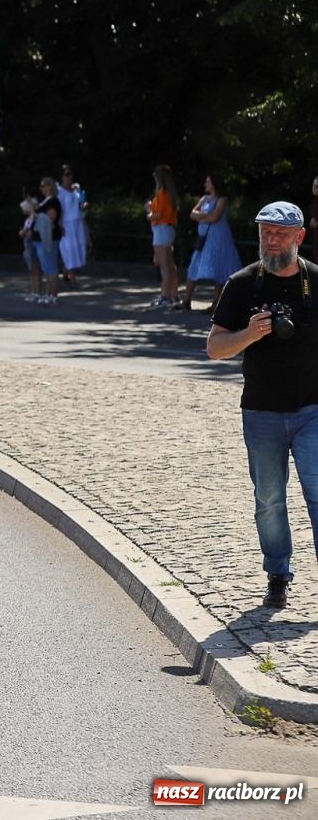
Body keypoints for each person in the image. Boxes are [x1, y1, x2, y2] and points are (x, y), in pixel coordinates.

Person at [206, 201, 318, 609]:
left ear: (299, 237)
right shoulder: (242, 284)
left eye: (280, 233)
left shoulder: (314, 281)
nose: (271, 240)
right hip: (261, 412)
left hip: (312, 411)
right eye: (264, 232)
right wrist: (249, 335)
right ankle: (277, 574)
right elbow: (215, 349)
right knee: (269, 499)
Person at [183, 174, 242, 312]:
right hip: (204, 237)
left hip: (219, 238)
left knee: (219, 267)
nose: (205, 184)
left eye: (208, 182)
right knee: (194, 266)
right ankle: (187, 299)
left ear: (215, 183)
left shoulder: (222, 200)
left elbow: (215, 217)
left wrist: (201, 217)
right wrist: (205, 217)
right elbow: (192, 214)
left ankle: (217, 301)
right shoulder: (204, 199)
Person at [148, 164, 181, 310]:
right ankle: (173, 295)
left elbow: (158, 214)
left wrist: (149, 214)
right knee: (169, 263)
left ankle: (165, 296)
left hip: (161, 228)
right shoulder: (170, 194)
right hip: (168, 228)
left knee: (164, 264)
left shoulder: (161, 193)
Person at [31, 177, 63, 306]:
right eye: (41, 186)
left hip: (48, 238)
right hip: (40, 238)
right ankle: (48, 293)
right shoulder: (45, 201)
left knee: (50, 267)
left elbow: (50, 218)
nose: (42, 188)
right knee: (46, 267)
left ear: (51, 187)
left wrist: (34, 212)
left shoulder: (53, 201)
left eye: (44, 185)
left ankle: (52, 294)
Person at [55, 166, 86, 282]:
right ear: (62, 177)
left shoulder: (76, 189)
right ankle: (73, 278)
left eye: (70, 174)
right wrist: (60, 225)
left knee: (78, 247)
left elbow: (79, 204)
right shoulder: (60, 192)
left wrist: (83, 206)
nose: (69, 177)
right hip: (67, 223)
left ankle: (65, 270)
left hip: (78, 221)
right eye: (66, 174)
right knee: (70, 249)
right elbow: (59, 210)